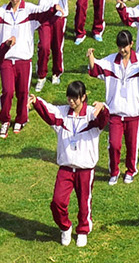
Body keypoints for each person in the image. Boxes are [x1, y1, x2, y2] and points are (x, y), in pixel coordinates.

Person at [38, 87, 109, 247]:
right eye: (69, 97)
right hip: (66, 168)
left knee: (84, 202)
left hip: (85, 169)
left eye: (74, 98)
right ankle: (65, 227)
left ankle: (83, 230)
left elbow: (103, 121)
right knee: (57, 202)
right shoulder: (62, 113)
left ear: (83, 97)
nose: (71, 101)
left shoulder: (92, 113)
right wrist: (36, 101)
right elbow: (48, 111)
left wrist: (103, 108)